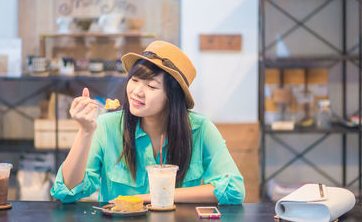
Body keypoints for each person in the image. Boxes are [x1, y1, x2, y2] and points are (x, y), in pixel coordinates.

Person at [50, 40, 245, 204]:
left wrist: (150, 198)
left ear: (172, 96)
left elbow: (234, 189)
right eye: (134, 80)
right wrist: (85, 131)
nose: (137, 91)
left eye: (151, 85)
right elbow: (67, 192)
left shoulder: (200, 128)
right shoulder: (108, 126)